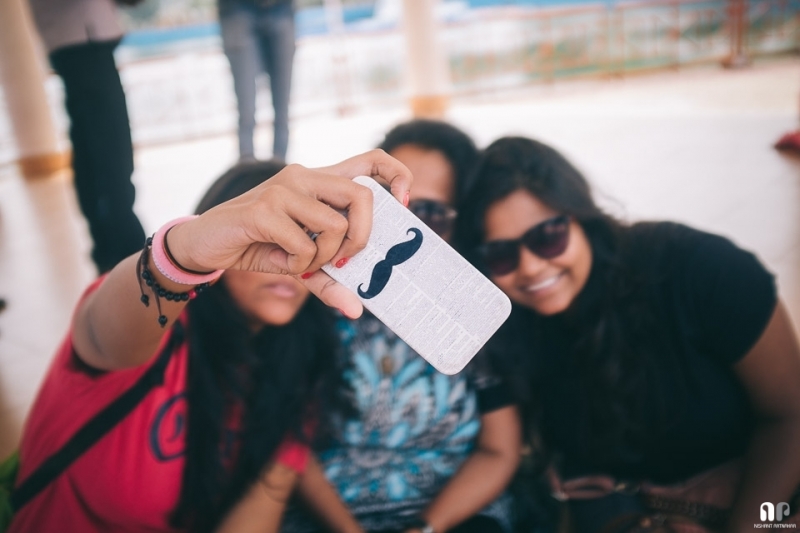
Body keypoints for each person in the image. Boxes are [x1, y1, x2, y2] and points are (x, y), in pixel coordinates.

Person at [9, 151, 413, 532]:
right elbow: (109, 328)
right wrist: (185, 251)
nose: (293, 259)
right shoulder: (151, 330)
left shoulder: (294, 366)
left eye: (312, 242)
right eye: (270, 239)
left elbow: (260, 507)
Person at [456, 136, 800, 532]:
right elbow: (578, 476)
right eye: (501, 254)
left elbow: (788, 417)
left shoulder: (699, 271)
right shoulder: (516, 330)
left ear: (581, 218)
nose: (531, 267)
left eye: (547, 236)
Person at [282, 120, 522, 533]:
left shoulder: (473, 315)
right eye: (391, 206)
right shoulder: (316, 296)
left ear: (458, 225)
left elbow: (498, 450)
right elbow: (288, 441)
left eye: (429, 211)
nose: (407, 225)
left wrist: (426, 528)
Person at [27, 0, 146, 274]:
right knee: (111, 152)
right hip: (81, 40)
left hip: (79, 39)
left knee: (91, 150)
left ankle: (108, 248)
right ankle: (125, 250)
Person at [218, 0, 296, 161]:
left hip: (282, 8)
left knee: (283, 108)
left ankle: (279, 165)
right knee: (246, 109)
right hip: (236, 10)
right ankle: (246, 170)